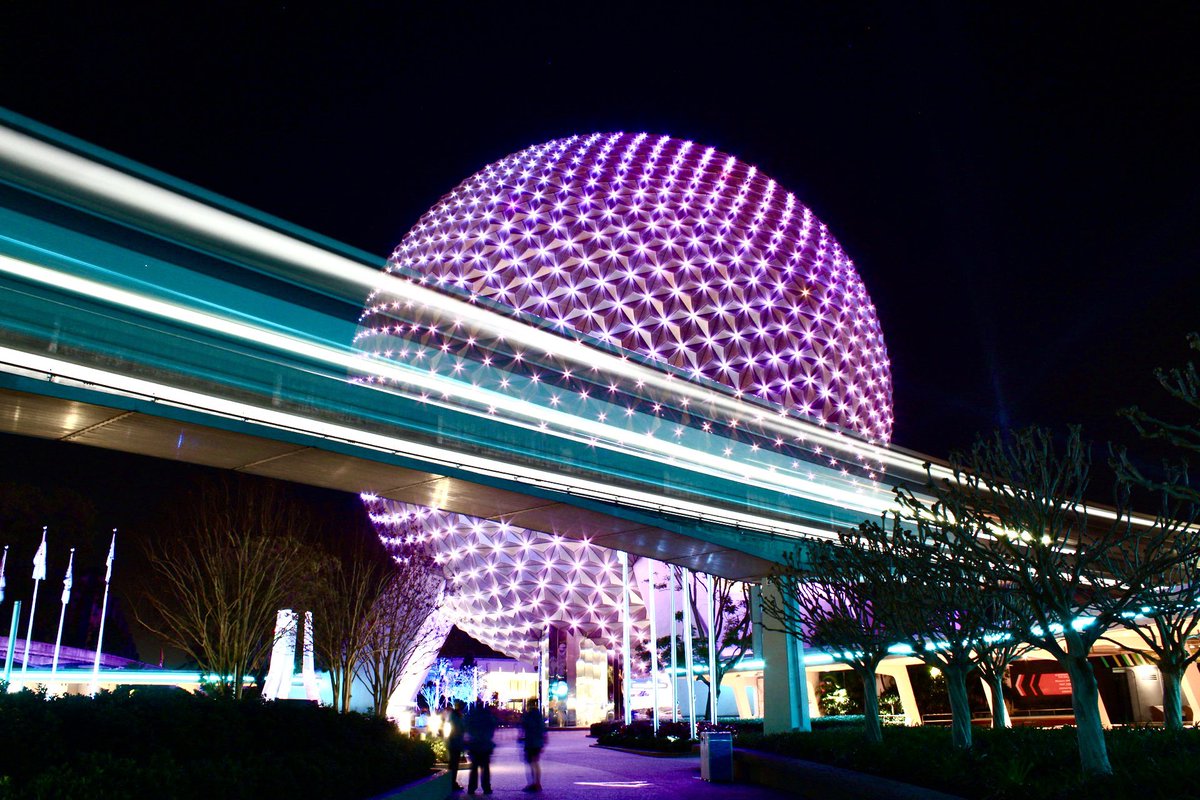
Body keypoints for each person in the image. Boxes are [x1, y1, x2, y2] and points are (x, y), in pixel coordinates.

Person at [465, 700, 496, 795]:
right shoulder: (487, 716)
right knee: (485, 768)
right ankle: (486, 788)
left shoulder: (472, 716)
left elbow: (467, 727)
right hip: (485, 745)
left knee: (474, 768)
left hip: (474, 745)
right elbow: (492, 726)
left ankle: (471, 788)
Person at [520, 699, 547, 792]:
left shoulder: (528, 716)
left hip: (530, 742)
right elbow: (543, 729)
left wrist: (520, 737)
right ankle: (537, 783)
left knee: (531, 763)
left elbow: (523, 728)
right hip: (537, 742)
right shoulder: (539, 716)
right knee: (535, 762)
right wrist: (544, 740)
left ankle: (533, 783)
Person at [446, 700, 466, 793]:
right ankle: (452, 783)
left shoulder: (454, 716)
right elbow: (459, 729)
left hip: (454, 742)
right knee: (453, 764)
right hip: (455, 743)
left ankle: (451, 782)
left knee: (453, 764)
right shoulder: (456, 716)